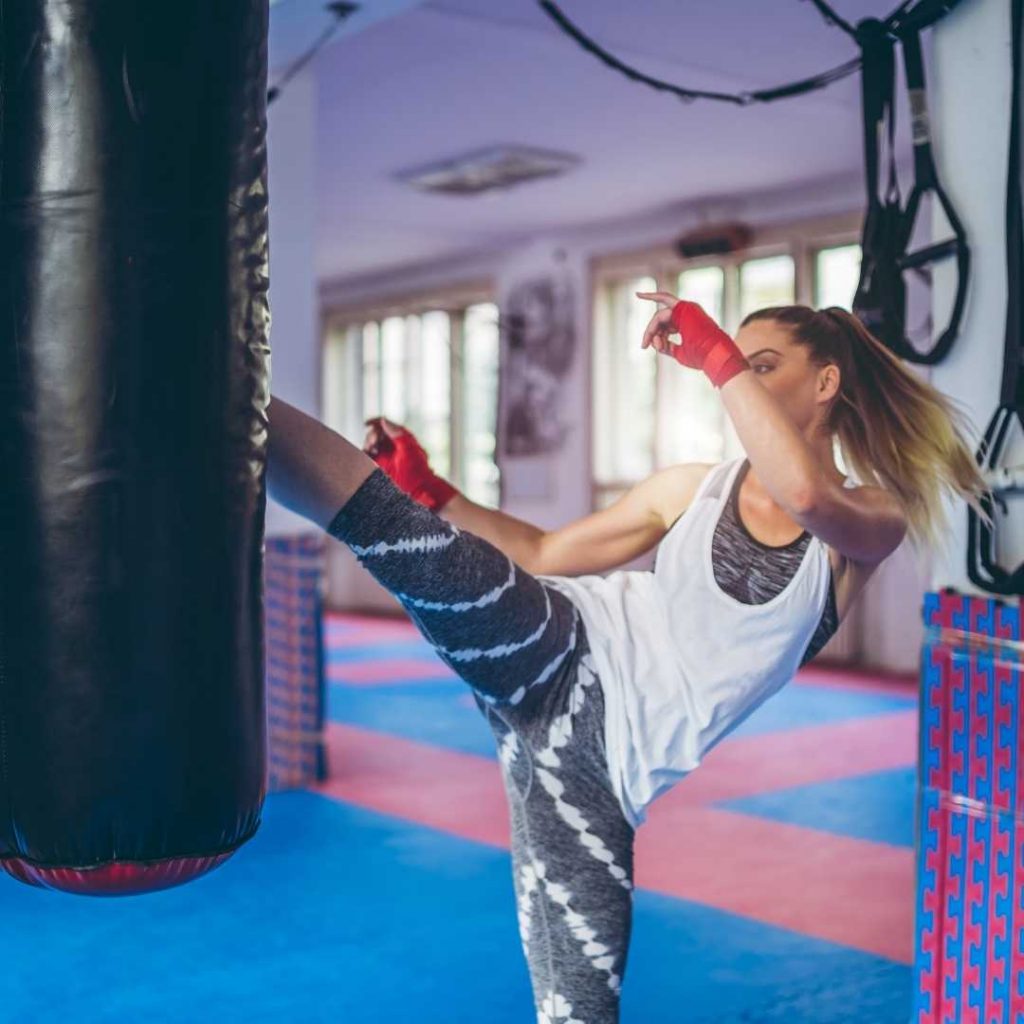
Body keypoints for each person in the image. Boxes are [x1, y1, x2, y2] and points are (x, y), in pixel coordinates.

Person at [265, 294, 991, 1024]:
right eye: (740, 364)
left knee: (578, 1010)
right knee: (393, 529)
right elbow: (543, 553)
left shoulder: (870, 522)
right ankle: (224, 398)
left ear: (826, 383)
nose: (742, 379)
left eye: (764, 365)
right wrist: (430, 492)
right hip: (563, 655)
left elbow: (805, 491)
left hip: (603, 784)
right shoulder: (693, 488)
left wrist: (716, 354)